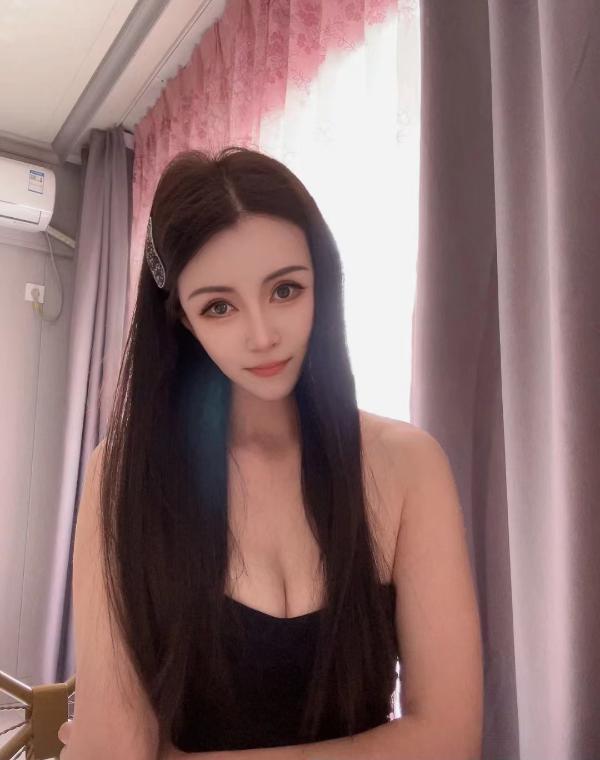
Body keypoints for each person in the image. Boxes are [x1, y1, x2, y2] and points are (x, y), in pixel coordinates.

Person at [59, 147, 483, 760]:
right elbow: (114, 750)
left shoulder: (408, 466)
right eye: (219, 306)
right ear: (183, 320)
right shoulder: (126, 475)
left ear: (322, 284)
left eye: (285, 290)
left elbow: (450, 739)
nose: (262, 335)